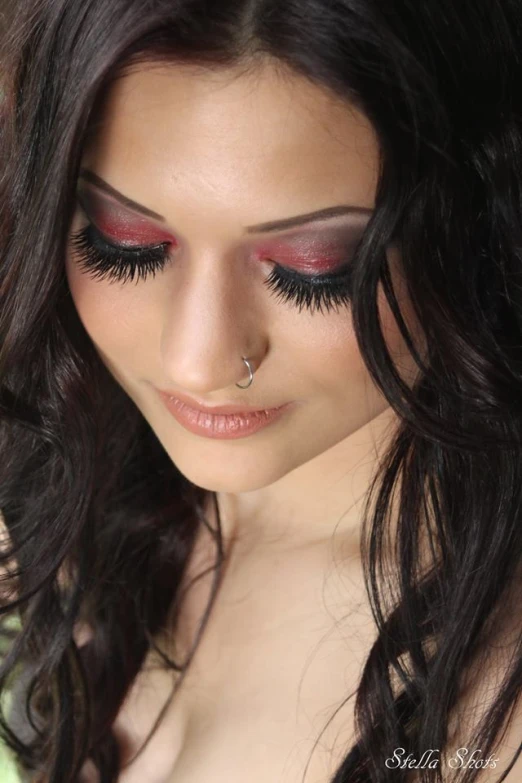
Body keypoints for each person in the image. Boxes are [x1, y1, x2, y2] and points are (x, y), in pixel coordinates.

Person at [0, 1, 522, 781]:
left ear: (476, 224)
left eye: (314, 271)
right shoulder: (41, 480)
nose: (198, 360)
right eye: (126, 246)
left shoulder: (496, 711)